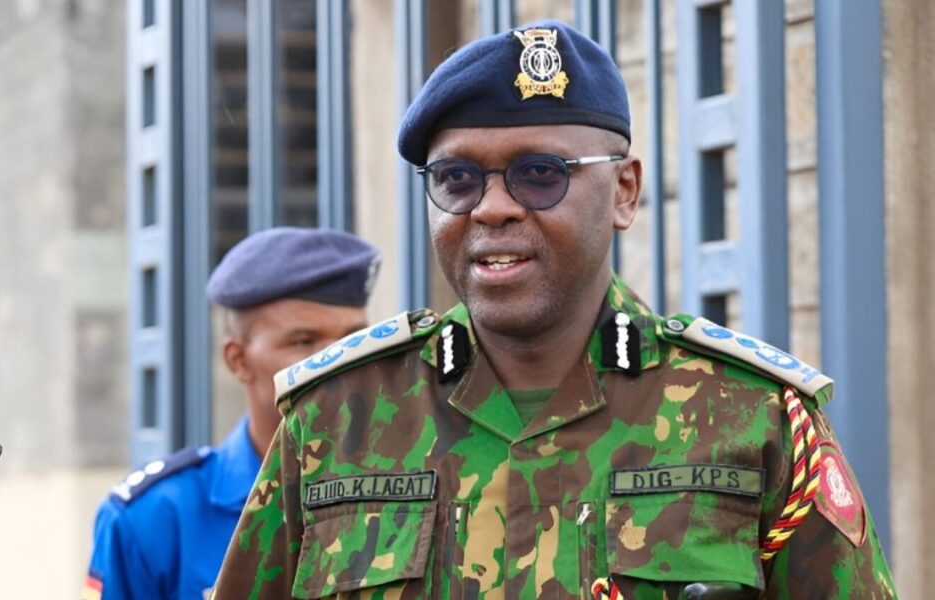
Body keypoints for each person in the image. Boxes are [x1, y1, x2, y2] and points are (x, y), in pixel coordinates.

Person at [212, 21, 897, 600]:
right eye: (456, 179)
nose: (492, 207)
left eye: (540, 174)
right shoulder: (334, 419)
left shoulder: (752, 417)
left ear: (624, 191)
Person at [82, 227, 380, 600]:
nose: (337, 360)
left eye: (353, 339)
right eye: (304, 342)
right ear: (237, 360)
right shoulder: (155, 520)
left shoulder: (415, 490)